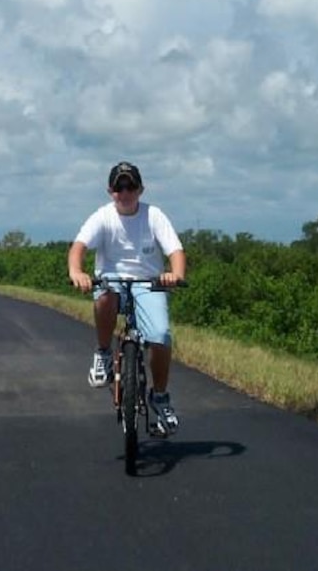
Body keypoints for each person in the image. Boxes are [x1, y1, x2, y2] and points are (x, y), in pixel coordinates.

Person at [67, 161, 187, 436]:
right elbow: (78, 247)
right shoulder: (102, 216)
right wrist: (77, 271)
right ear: (110, 191)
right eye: (119, 187)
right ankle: (104, 354)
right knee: (105, 295)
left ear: (140, 189)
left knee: (160, 335)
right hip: (113, 280)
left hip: (149, 282)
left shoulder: (153, 215)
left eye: (130, 186)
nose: (125, 192)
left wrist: (175, 274)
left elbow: (175, 251)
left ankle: (160, 397)